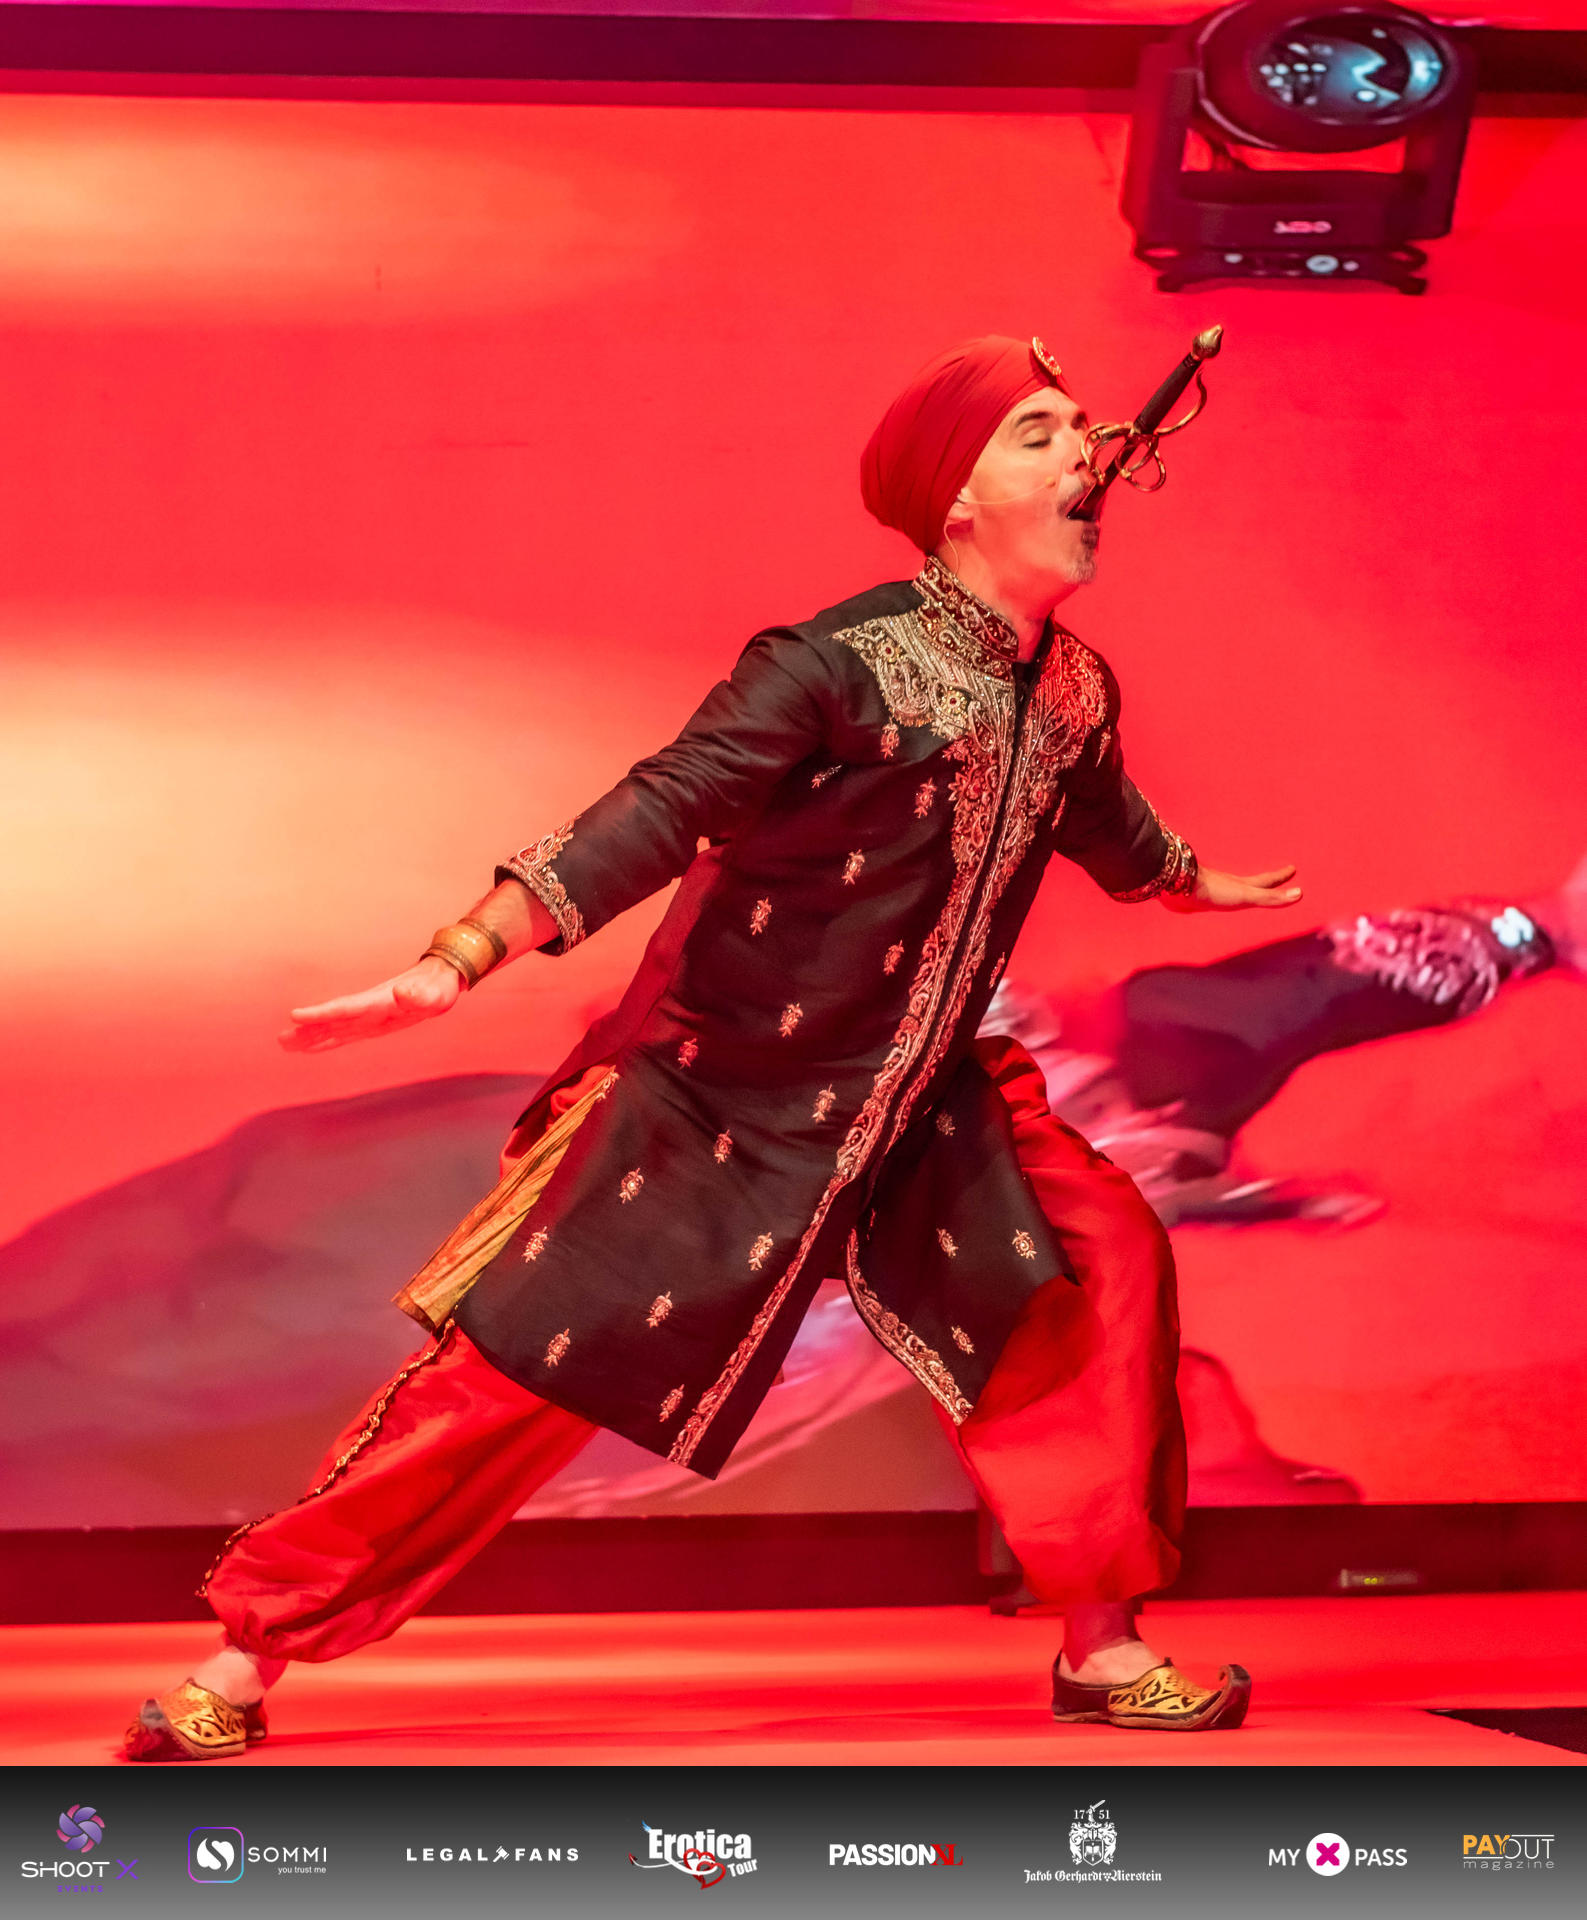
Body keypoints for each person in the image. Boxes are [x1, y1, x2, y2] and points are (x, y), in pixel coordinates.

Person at [126, 333, 1304, 1761]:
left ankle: (1101, 1646)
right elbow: (664, 803)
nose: (1086, 453)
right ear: (957, 500)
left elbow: (1102, 815)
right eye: (1040, 432)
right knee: (510, 1376)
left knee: (1095, 1264)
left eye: (1083, 429)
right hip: (725, 1099)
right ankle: (247, 1655)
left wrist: (1191, 878)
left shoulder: (1071, 691)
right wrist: (462, 956)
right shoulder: (830, 664)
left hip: (925, 1102)